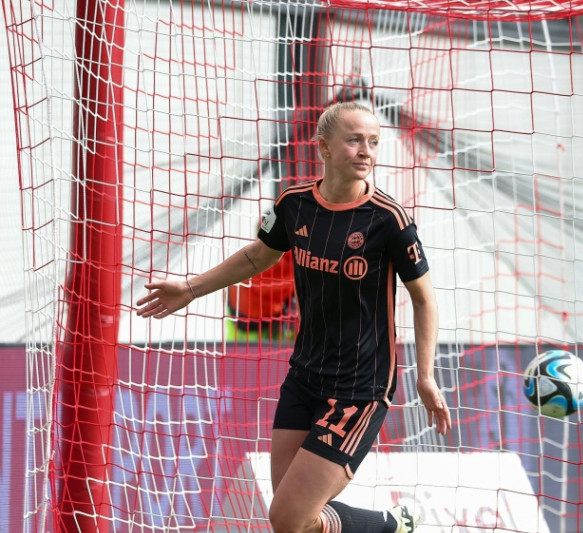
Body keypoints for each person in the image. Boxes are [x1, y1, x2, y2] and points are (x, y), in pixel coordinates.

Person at [137, 101, 452, 533]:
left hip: (359, 387)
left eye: (374, 142)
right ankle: (390, 525)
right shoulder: (293, 205)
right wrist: (190, 289)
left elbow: (424, 298)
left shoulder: (389, 220)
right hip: (304, 378)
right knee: (293, 523)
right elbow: (257, 256)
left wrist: (425, 376)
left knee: (288, 518)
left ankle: (389, 526)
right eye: (355, 139)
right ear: (322, 146)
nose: (366, 151)